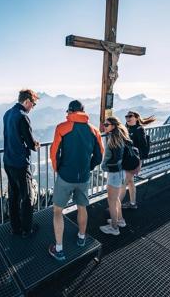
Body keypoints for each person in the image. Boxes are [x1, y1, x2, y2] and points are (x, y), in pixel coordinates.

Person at [49, 100, 104, 261]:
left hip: (65, 176)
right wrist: (89, 167)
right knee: (82, 207)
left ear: (70, 111)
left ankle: (59, 249)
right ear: (83, 111)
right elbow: (99, 155)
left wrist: (58, 169)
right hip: (84, 177)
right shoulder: (94, 130)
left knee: (58, 211)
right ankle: (81, 238)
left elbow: (54, 153)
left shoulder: (62, 128)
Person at [3, 89, 40, 238]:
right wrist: (36, 145)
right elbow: (30, 143)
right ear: (27, 101)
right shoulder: (23, 117)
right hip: (20, 163)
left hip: (8, 161)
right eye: (33, 104)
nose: (33, 107)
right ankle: (27, 229)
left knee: (13, 195)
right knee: (27, 197)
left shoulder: (7, 114)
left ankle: (15, 228)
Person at [99, 116, 131, 236]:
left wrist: (103, 167)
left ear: (113, 126)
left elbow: (107, 160)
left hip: (114, 174)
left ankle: (114, 227)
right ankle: (120, 220)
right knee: (116, 198)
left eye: (106, 125)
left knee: (111, 200)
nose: (104, 126)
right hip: (122, 171)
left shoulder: (112, 139)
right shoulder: (122, 136)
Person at [120, 111, 156, 209]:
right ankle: (133, 204)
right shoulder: (126, 128)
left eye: (130, 116)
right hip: (127, 160)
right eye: (126, 116)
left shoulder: (139, 129)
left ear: (136, 118)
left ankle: (114, 207)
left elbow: (143, 147)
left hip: (134, 162)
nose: (127, 118)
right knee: (130, 182)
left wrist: (139, 163)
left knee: (123, 183)